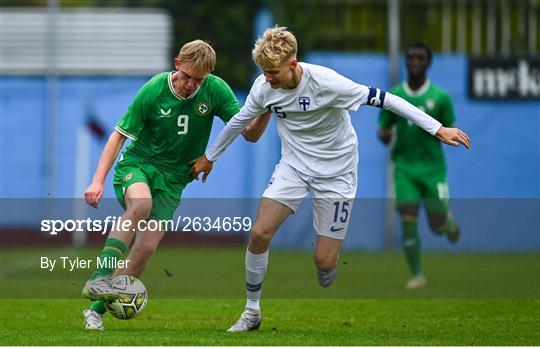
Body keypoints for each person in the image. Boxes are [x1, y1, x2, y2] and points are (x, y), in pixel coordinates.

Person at [191, 26, 470, 332]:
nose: (268, 78)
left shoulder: (327, 83)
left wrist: (437, 128)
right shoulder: (264, 87)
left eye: (273, 71)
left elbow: (387, 99)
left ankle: (328, 262)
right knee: (259, 233)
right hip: (293, 167)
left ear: (293, 65)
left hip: (337, 173)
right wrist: (210, 157)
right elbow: (239, 121)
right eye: (264, 71)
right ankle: (252, 311)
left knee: (324, 262)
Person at [81, 39, 271, 330]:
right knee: (141, 204)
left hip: (174, 180)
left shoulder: (216, 90)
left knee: (144, 250)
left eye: (199, 80)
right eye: (187, 77)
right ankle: (98, 276)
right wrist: (97, 181)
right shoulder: (154, 89)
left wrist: (267, 109)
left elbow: (249, 133)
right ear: (177, 64)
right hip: (139, 164)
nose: (191, 85)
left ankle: (94, 312)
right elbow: (118, 136)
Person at [378, 42, 461, 289]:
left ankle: (448, 224)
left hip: (433, 169)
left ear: (428, 63)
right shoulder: (394, 95)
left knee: (436, 225)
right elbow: (383, 129)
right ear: (405, 61)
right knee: (408, 218)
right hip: (404, 168)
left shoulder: (441, 97)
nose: (415, 61)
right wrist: (384, 135)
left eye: (420, 58)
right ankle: (416, 275)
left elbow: (449, 128)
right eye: (411, 57)